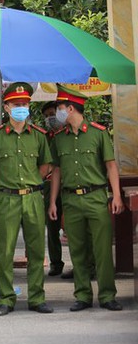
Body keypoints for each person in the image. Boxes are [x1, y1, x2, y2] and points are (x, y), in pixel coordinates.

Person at [48, 85, 124, 312]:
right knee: (77, 251)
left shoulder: (98, 133)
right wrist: (53, 201)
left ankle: (108, 295)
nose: (57, 114)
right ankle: (82, 295)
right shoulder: (59, 138)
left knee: (101, 250)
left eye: (60, 108)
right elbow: (56, 172)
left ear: (70, 108)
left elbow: (111, 166)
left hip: (96, 198)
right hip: (70, 200)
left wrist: (116, 196)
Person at [0, 83, 53, 316]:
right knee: (5, 251)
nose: (21, 108)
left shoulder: (39, 137)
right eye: (16, 105)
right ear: (8, 108)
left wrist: (31, 182)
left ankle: (36, 297)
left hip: (33, 197)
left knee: (35, 250)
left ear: (28, 106)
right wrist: (4, 185)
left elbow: (45, 165)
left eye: (24, 104)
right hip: (8, 199)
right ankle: (6, 299)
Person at [41, 101, 65, 276]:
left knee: (75, 226)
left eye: (52, 113)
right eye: (47, 115)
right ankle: (56, 263)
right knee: (52, 225)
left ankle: (85, 264)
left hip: (71, 184)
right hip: (50, 185)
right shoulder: (44, 137)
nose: (50, 118)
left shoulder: (69, 134)